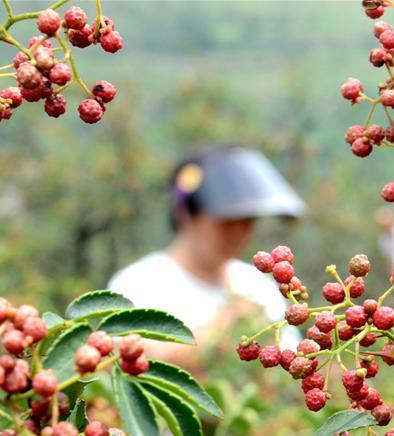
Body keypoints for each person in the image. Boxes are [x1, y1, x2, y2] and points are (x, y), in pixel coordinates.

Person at [108, 147, 305, 370]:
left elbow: (293, 366)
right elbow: (125, 365)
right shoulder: (139, 284)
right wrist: (223, 326)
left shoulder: (257, 287)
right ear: (186, 213)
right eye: (227, 220)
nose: (239, 233)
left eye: (247, 221)